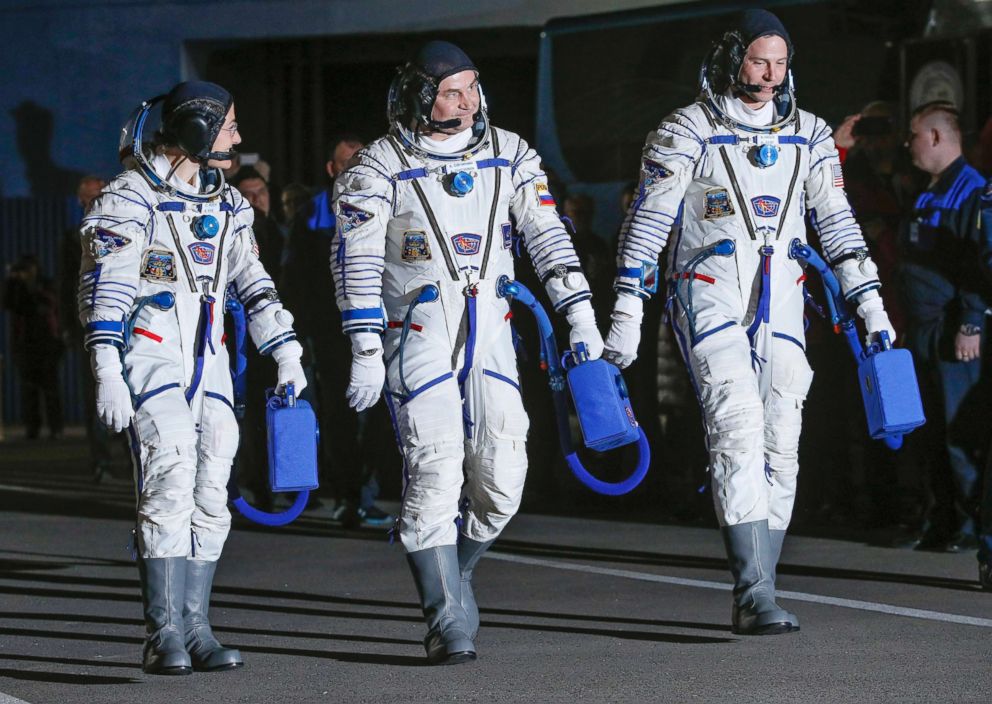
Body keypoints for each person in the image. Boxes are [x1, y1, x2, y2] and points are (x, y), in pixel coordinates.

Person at [603, 9, 896, 635]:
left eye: (780, 62)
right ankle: (754, 589)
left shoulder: (810, 134)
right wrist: (627, 309)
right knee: (736, 421)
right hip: (707, 291)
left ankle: (762, 581)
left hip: (782, 296)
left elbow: (838, 224)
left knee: (782, 435)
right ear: (732, 58)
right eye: (759, 61)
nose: (769, 75)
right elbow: (648, 224)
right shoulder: (686, 130)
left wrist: (870, 305)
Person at [332, 41, 604, 664]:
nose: (467, 102)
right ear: (422, 97)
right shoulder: (377, 167)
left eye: (472, 88)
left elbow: (546, 235)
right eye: (452, 92)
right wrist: (365, 346)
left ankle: (458, 571)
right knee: (435, 470)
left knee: (504, 480)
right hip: (418, 335)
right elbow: (356, 260)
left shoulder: (509, 155)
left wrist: (579, 312)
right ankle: (444, 616)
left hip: (490, 334)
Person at [78, 81, 305, 674]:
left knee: (211, 491)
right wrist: (106, 366)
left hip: (209, 364)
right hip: (151, 360)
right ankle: (163, 633)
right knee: (170, 478)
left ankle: (197, 627)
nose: (237, 135)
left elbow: (251, 280)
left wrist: (284, 350)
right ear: (199, 129)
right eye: (228, 123)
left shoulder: (225, 203)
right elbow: (107, 289)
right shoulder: (128, 200)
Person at [281, 133, 394, 526]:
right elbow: (294, 279)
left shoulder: (388, 201)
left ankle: (368, 492)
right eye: (346, 163)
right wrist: (302, 336)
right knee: (340, 417)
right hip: (330, 334)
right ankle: (347, 496)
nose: (354, 169)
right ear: (332, 169)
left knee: (380, 415)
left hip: (380, 332)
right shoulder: (314, 212)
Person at [898, 101, 990, 554]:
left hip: (954, 332)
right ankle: (942, 519)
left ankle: (973, 527)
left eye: (913, 135)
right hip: (922, 330)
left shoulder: (971, 191)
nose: (908, 144)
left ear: (935, 136)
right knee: (929, 432)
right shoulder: (929, 190)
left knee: (960, 434)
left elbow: (979, 264)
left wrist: (971, 322)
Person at [3, 254, 64, 439]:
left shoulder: (46, 285)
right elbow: (9, 304)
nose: (27, 273)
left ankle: (56, 428)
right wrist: (12, 282)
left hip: (48, 343)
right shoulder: (17, 288)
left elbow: (52, 305)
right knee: (29, 389)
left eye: (29, 269)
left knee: (51, 388)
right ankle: (32, 428)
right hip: (25, 344)